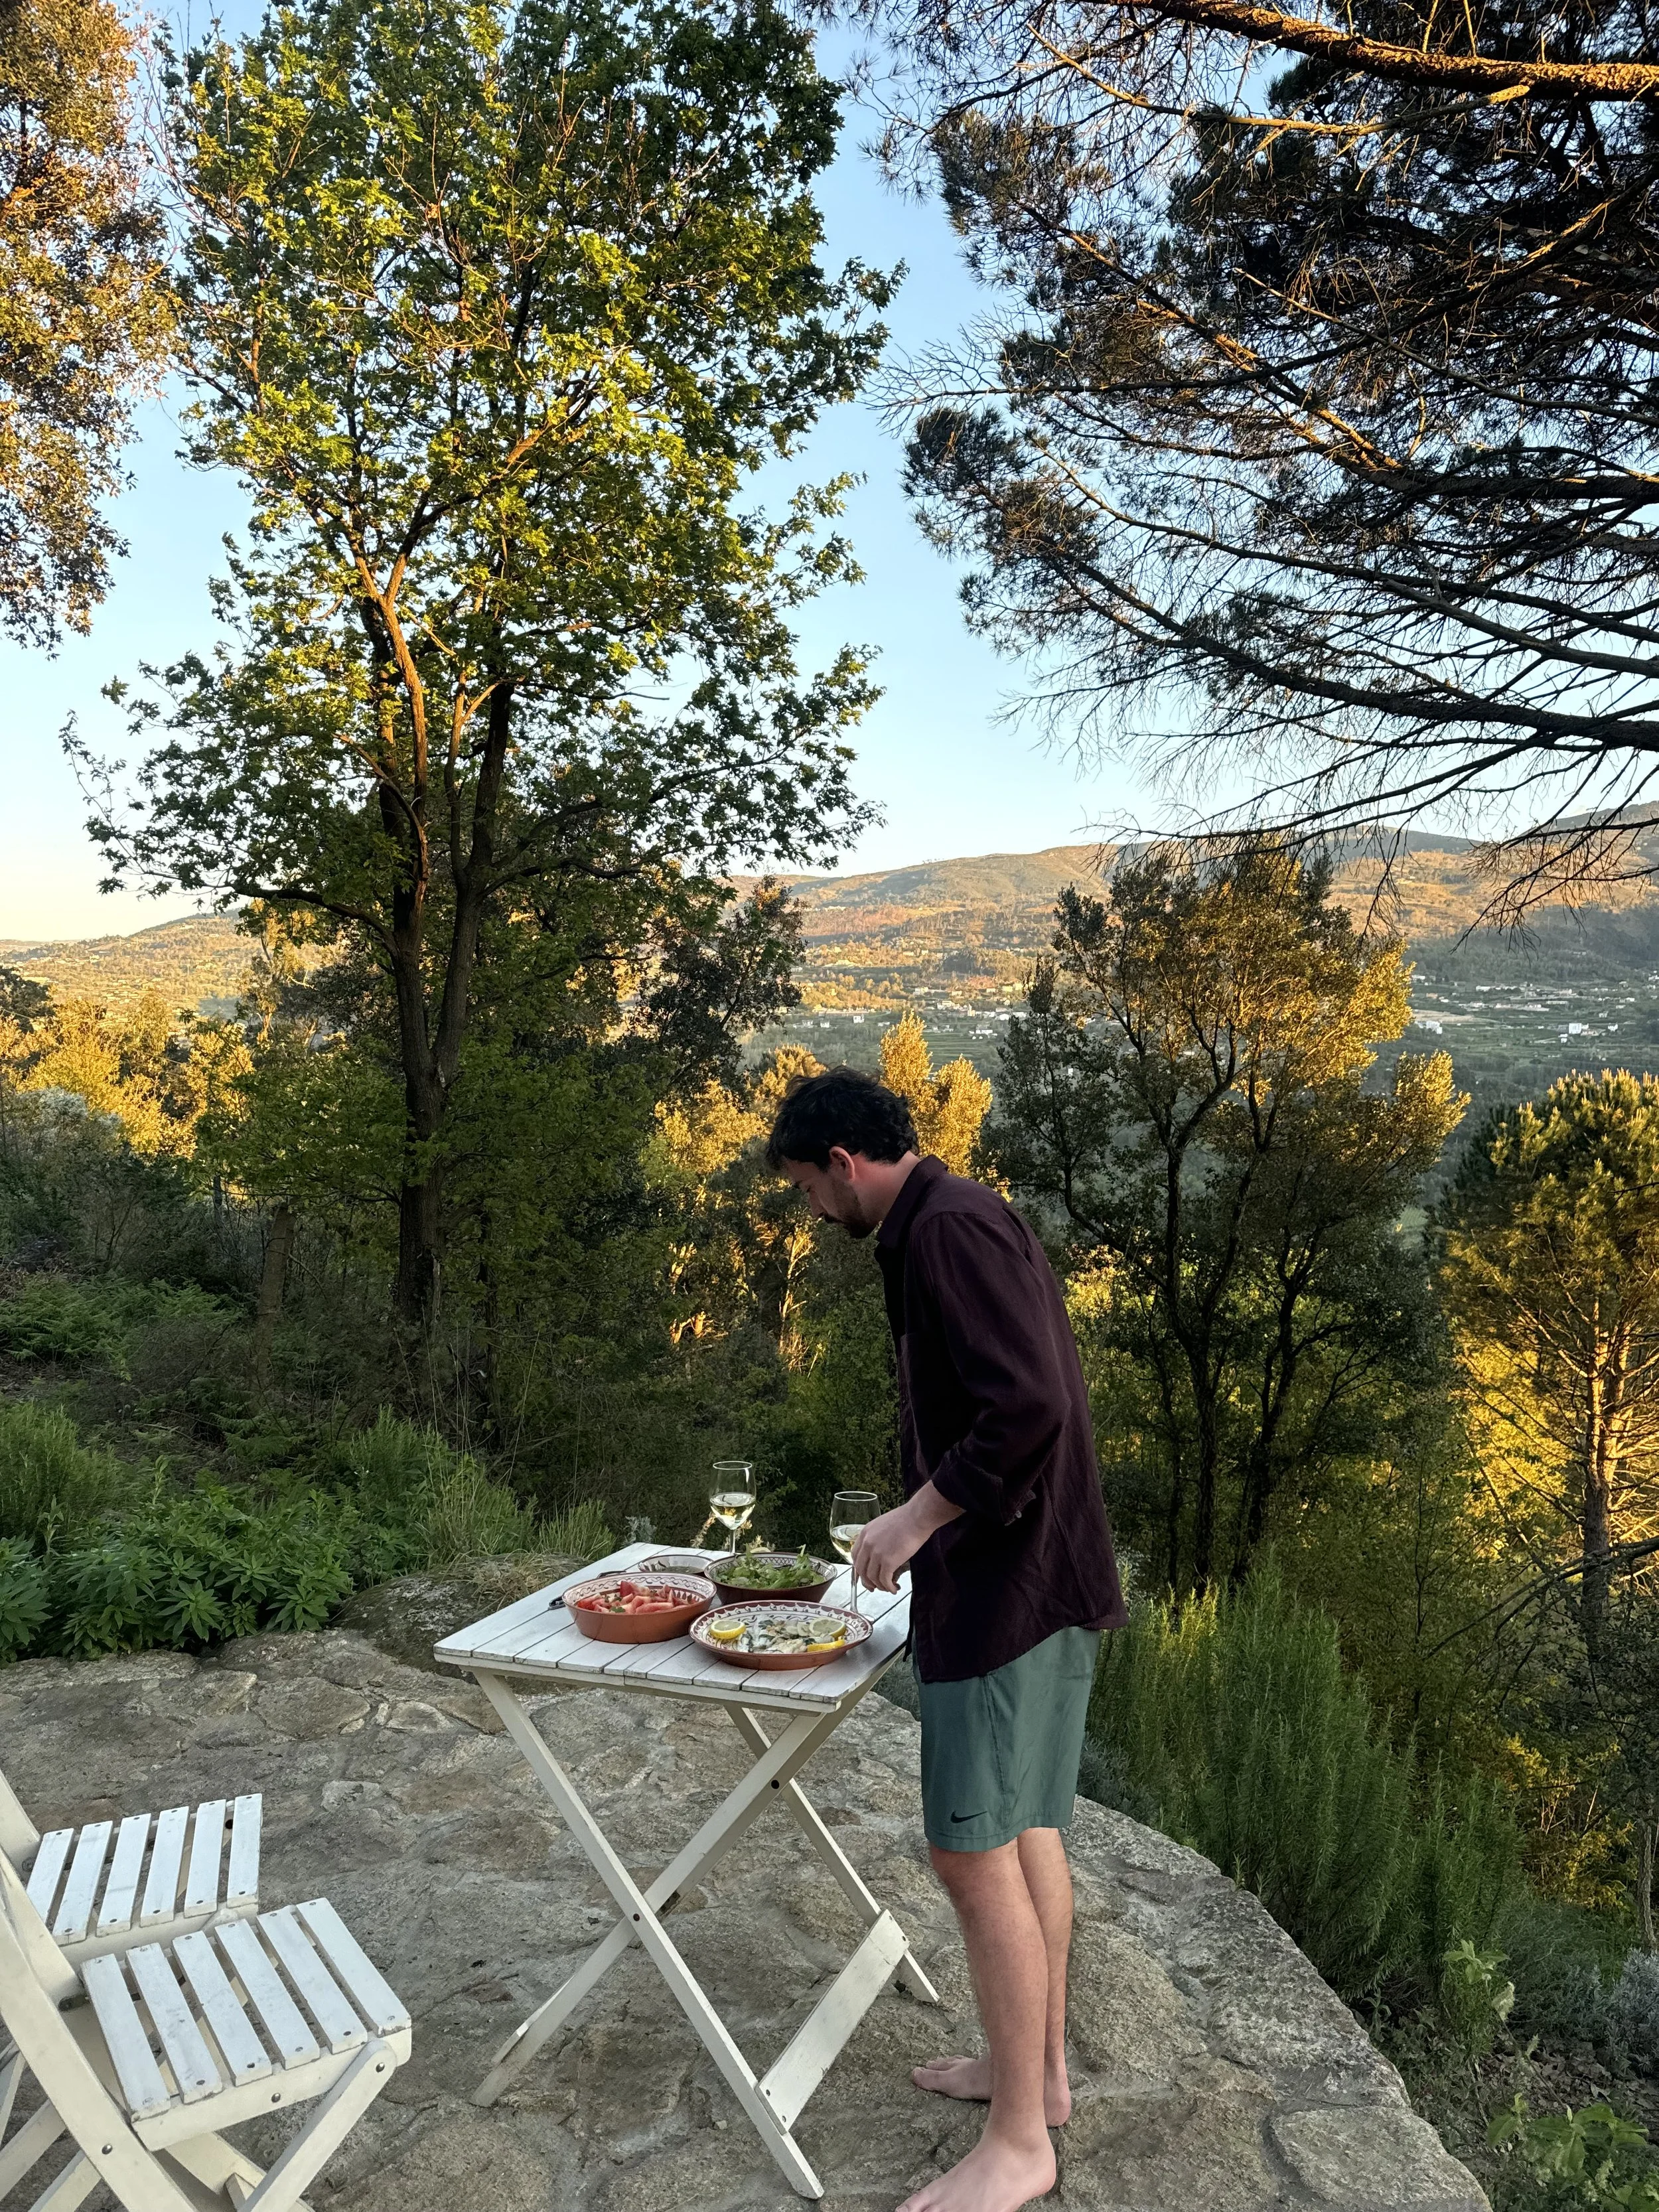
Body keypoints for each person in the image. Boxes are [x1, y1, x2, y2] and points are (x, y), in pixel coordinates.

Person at [766, 1066, 1127, 2212]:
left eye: (808, 1192)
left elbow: (1027, 1407)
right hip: (1046, 1573)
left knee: (971, 1854)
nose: (812, 1216)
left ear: (845, 1164)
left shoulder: (944, 1235)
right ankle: (1039, 2080)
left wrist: (920, 1514)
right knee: (1022, 1832)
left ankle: (1020, 2146)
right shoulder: (955, 1215)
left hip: (1006, 1589)